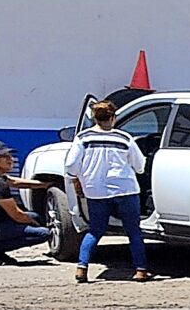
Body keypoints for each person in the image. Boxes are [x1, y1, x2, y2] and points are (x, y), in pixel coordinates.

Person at [62, 99, 151, 283]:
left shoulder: (83, 138)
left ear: (95, 118)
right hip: (125, 189)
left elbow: (70, 165)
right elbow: (140, 165)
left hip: (96, 191)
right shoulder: (124, 138)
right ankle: (140, 270)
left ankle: (82, 268)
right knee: (133, 231)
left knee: (95, 230)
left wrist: (78, 178)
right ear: (113, 118)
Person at [0, 141, 53, 265]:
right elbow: (16, 215)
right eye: (4, 157)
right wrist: (34, 223)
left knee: (33, 216)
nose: (10, 160)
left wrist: (43, 185)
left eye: (10, 156)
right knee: (43, 233)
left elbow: (14, 182)